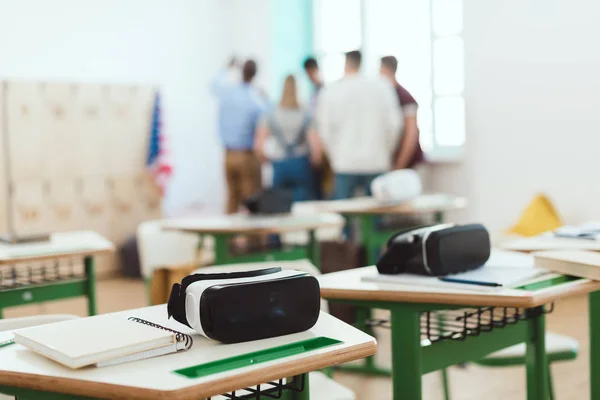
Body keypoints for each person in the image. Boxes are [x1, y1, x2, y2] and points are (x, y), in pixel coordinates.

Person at [316, 50, 403, 199]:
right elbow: (394, 125)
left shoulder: (331, 91)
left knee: (343, 216)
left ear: (345, 63)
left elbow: (324, 130)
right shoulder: (382, 88)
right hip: (377, 161)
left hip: (344, 162)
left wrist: (335, 156)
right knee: (376, 213)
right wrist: (386, 151)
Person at [212, 59, 265, 214]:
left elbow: (214, 84)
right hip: (246, 155)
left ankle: (228, 238)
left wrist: (227, 66)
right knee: (252, 200)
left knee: (232, 200)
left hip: (228, 155)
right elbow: (262, 130)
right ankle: (253, 238)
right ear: (255, 75)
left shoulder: (227, 92)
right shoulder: (256, 101)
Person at [254, 75, 316, 201]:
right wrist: (315, 164)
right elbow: (316, 149)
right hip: (301, 164)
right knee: (303, 206)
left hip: (279, 164)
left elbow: (258, 146)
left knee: (279, 205)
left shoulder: (270, 113)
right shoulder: (305, 113)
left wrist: (266, 159)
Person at [380, 55, 424, 169]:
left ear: (385, 70)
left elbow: (411, 134)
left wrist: (399, 166)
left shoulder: (404, 97)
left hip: (409, 163)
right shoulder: (386, 96)